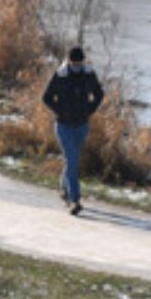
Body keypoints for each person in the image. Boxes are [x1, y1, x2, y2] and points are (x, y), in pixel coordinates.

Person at [41, 46, 103, 216]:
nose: (76, 65)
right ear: (68, 61)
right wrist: (60, 110)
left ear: (83, 62)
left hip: (82, 125)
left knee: (72, 161)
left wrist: (89, 110)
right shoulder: (61, 75)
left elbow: (99, 94)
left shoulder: (88, 75)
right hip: (63, 126)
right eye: (73, 63)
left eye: (79, 63)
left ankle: (64, 187)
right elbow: (46, 97)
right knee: (72, 160)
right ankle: (74, 200)